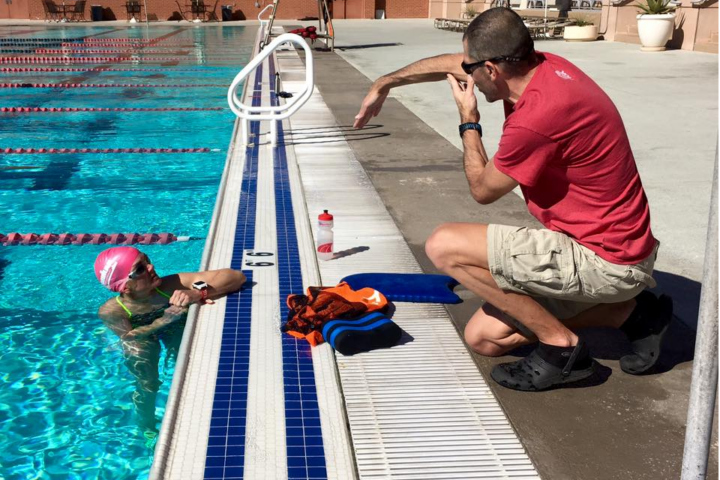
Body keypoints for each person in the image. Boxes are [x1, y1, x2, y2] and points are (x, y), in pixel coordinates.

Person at [354, 8, 673, 391]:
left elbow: (483, 191)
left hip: (606, 259)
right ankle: (630, 313)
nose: (464, 75)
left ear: (491, 70)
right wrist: (386, 82)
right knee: (486, 339)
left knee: (444, 246)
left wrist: (469, 122)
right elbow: (453, 63)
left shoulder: (538, 117)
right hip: (613, 246)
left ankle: (562, 349)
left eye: (471, 70)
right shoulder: (542, 67)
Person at [95, 246, 246, 431]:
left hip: (173, 326)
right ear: (125, 286)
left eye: (147, 260)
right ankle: (147, 427)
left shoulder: (171, 284)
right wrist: (163, 320)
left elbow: (237, 277)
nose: (150, 267)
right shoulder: (112, 311)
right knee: (147, 382)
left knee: (190, 365)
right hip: (142, 337)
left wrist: (198, 292)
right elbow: (128, 337)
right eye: (141, 268)